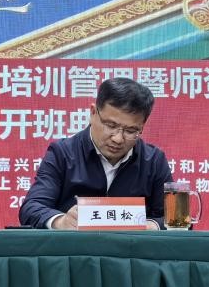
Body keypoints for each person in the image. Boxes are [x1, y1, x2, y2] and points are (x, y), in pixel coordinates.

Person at [19, 77, 171, 230]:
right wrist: (61, 221)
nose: (118, 139)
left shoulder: (154, 161)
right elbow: (32, 207)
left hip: (131, 245)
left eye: (131, 131)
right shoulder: (62, 153)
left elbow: (174, 217)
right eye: (110, 125)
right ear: (93, 113)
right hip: (75, 245)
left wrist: (152, 225)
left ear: (142, 126)